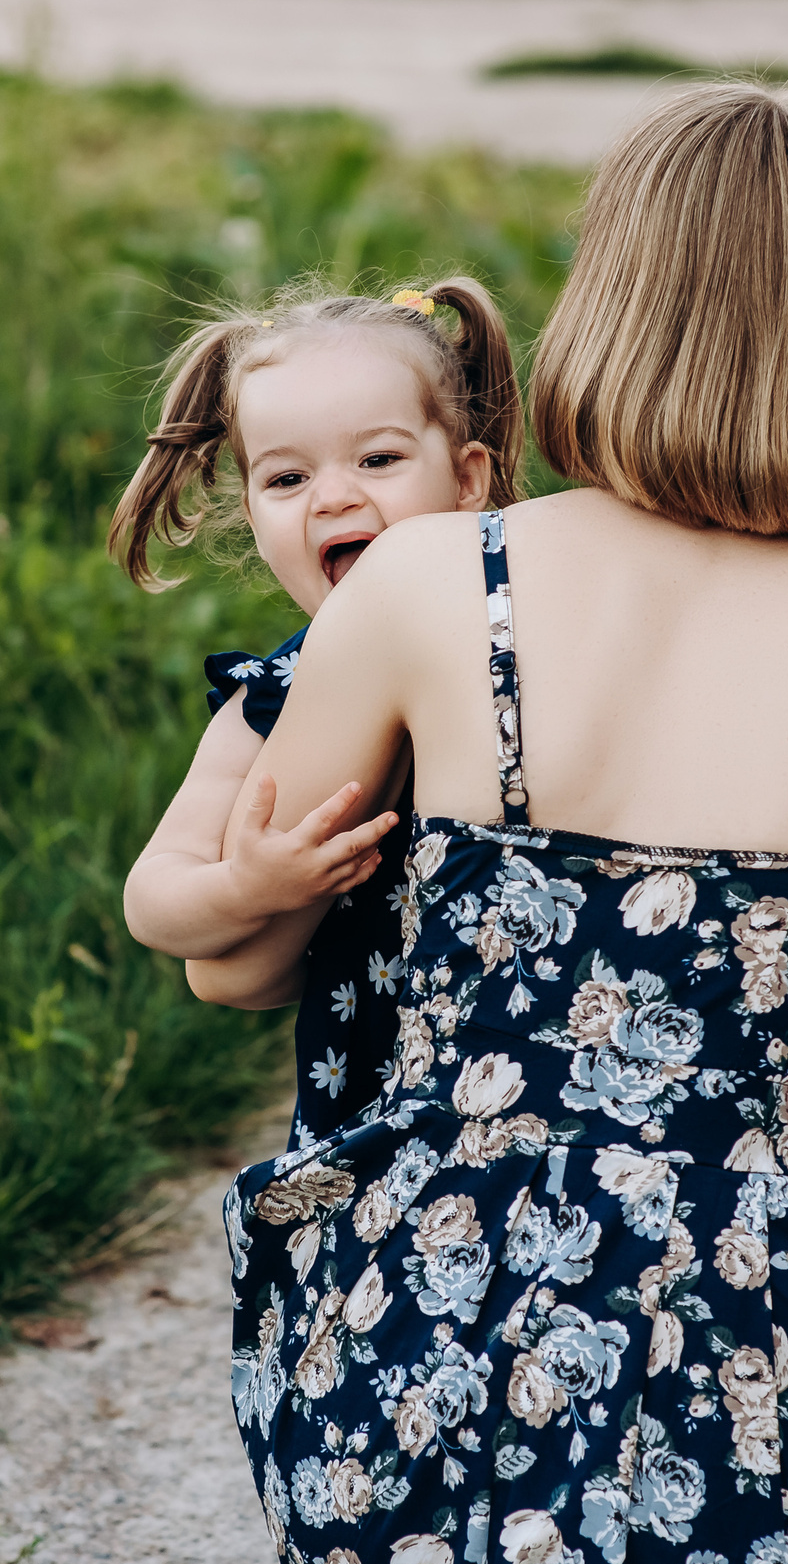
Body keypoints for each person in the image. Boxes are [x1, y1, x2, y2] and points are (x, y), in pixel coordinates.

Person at [190, 82, 788, 1564]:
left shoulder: (442, 580)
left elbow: (236, 957)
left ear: (609, 300)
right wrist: (739, 969)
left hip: (412, 1418)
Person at [118, 279, 524, 1159]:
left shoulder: (530, 653)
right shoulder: (271, 701)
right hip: (380, 1105)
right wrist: (245, 889)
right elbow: (153, 901)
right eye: (289, 477)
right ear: (253, 514)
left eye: (377, 461)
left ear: (466, 479)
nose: (332, 497)